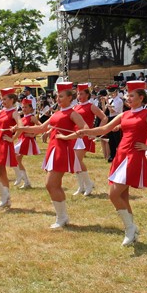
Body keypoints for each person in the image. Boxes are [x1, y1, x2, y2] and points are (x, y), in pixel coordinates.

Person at [78, 81, 147, 246]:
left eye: (131, 95)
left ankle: (130, 228)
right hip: (120, 155)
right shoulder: (125, 114)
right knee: (122, 196)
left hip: (134, 156)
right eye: (128, 95)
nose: (128, 98)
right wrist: (86, 131)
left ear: (141, 98)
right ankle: (131, 230)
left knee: (114, 194)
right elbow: (104, 129)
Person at [17, 82, 88, 228]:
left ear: (70, 97)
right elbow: (41, 128)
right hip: (53, 149)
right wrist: (21, 128)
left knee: (51, 184)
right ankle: (62, 217)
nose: (58, 99)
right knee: (54, 185)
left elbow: (84, 129)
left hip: (62, 150)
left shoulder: (72, 113)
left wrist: (67, 137)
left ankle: (62, 217)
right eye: (57, 96)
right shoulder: (56, 113)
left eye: (61, 96)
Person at [72, 83, 109, 196]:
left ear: (87, 95)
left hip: (85, 136)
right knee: (74, 161)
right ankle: (81, 186)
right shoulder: (75, 107)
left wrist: (96, 132)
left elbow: (104, 118)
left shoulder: (91, 106)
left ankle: (88, 184)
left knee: (77, 161)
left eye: (82, 94)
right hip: (75, 136)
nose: (79, 96)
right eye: (78, 94)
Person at [13, 98, 41, 189]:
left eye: (26, 107)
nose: (24, 109)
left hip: (26, 141)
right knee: (16, 159)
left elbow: (41, 126)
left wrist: (33, 134)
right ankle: (25, 181)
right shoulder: (22, 118)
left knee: (16, 158)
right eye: (22, 107)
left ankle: (23, 179)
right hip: (21, 139)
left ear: (30, 108)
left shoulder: (32, 117)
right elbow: (16, 127)